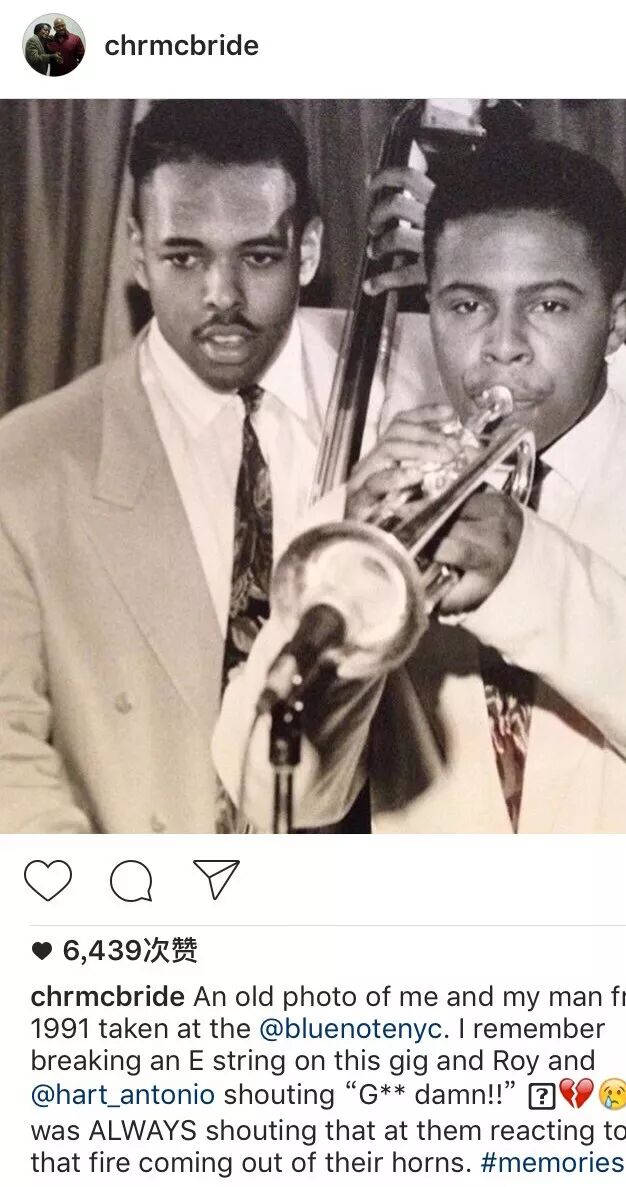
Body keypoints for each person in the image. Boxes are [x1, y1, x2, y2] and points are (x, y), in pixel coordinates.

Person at [215, 136, 626, 834]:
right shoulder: (378, 507)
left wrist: (522, 567)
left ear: (615, 322)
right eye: (467, 306)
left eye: (549, 306)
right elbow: (272, 792)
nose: (503, 345)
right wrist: (348, 565)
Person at [0, 100, 437, 833]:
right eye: (185, 257)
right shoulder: (26, 464)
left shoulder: (416, 372)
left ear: (308, 249)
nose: (222, 295)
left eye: (258, 256)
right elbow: (8, 756)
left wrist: (465, 267)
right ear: (137, 253)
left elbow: (608, 413)